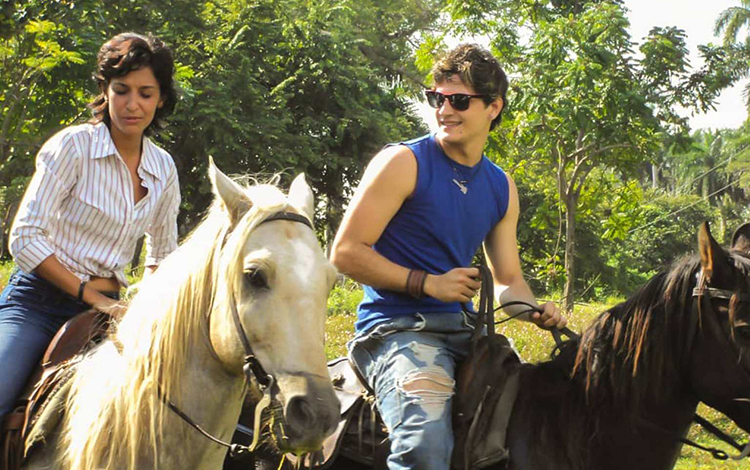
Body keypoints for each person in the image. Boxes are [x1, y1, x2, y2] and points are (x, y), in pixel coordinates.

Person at [330, 43, 567, 470]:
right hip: (396, 330)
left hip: (465, 334)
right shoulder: (403, 162)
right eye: (436, 98)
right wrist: (428, 283)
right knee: (424, 447)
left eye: (459, 100)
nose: (444, 110)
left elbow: (509, 279)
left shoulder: (501, 187)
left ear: (494, 107)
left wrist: (534, 310)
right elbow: (346, 253)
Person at [0, 32, 181, 419]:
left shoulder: (164, 168)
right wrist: (92, 297)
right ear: (105, 89)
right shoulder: (72, 147)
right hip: (38, 304)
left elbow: (163, 253)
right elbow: (24, 237)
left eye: (146, 93)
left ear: (161, 98)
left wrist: (141, 304)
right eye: (122, 90)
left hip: (114, 314)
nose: (133, 104)